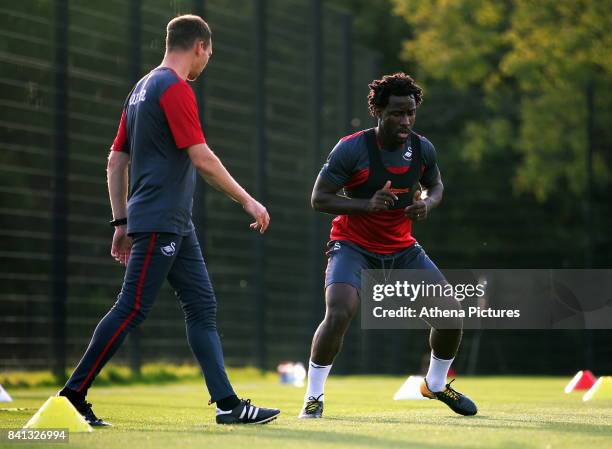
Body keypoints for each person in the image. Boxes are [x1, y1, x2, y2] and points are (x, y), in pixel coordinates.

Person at [58, 14, 280, 426]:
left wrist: (121, 222)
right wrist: (249, 201)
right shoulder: (174, 88)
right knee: (131, 307)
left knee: (202, 305)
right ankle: (72, 394)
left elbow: (115, 161)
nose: (206, 62)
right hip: (162, 218)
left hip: (171, 221)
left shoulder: (140, 89)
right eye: (208, 54)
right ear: (199, 46)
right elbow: (202, 157)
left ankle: (229, 405)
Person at [299, 73, 477, 418]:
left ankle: (436, 385)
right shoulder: (352, 148)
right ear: (378, 111)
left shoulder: (422, 148)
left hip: (402, 249)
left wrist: (428, 202)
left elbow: (436, 185)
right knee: (338, 312)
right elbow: (319, 199)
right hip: (353, 246)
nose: (405, 121)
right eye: (397, 113)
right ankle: (313, 397)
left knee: (451, 315)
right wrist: (365, 205)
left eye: (410, 113)